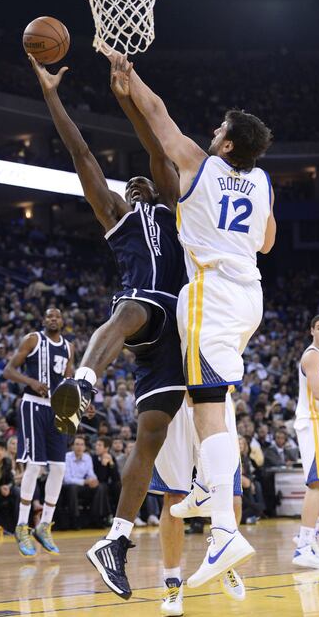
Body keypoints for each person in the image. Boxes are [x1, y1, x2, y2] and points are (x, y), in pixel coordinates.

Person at [28, 54, 187, 599]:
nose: (141, 178)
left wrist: (129, 98)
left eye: (146, 176)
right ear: (126, 192)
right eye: (132, 180)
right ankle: (84, 384)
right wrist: (52, 94)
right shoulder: (118, 215)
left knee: (151, 434)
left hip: (173, 338)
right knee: (131, 309)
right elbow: (81, 153)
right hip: (143, 307)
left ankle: (115, 540)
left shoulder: (171, 205)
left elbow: (157, 146)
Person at [125, 53, 275, 586]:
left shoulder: (201, 164)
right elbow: (268, 239)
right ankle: (212, 490)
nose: (213, 132)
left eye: (221, 129)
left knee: (209, 403)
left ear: (228, 145)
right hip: (249, 297)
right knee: (204, 393)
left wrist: (129, 73)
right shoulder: (262, 184)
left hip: (210, 292)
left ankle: (226, 528)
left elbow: (159, 116)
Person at [153, 394, 245, 615]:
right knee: (174, 497)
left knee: (231, 496)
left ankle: (223, 555)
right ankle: (172, 583)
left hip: (214, 396)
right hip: (174, 399)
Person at [3, 307, 74, 557]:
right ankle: (22, 525)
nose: (53, 319)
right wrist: (31, 382)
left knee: (59, 468)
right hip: (33, 405)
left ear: (62, 321)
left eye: (57, 315)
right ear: (44, 320)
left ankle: (44, 525)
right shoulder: (33, 339)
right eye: (49, 316)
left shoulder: (68, 347)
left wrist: (81, 404)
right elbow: (8, 370)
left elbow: (69, 381)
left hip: (57, 409)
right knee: (34, 466)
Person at [292, 314, 319, 568]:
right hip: (314, 422)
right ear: (311, 331)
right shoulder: (313, 356)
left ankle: (310, 533)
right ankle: (303, 546)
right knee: (317, 482)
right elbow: (318, 393)